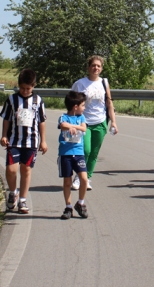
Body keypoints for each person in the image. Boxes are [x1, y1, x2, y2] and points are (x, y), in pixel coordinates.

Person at [0, 68, 48, 214]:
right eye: (22, 88)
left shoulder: (38, 101)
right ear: (18, 86)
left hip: (31, 142)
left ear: (33, 86)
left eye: (28, 88)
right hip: (14, 141)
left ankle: (22, 199)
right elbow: (6, 119)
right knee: (11, 169)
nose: (25, 91)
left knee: (26, 170)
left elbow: (41, 122)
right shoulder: (12, 99)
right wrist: (4, 135)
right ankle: (13, 193)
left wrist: (43, 141)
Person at [71, 55, 119, 191]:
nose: (95, 68)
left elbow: (109, 103)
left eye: (98, 66)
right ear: (88, 67)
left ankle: (87, 179)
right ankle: (79, 177)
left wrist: (113, 122)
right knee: (85, 151)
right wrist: (72, 121)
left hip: (100, 122)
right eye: (93, 65)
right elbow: (72, 103)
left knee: (94, 153)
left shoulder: (104, 82)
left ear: (101, 68)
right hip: (84, 122)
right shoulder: (80, 84)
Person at [57, 91, 90, 219]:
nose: (84, 108)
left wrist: (74, 127)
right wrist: (69, 126)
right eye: (83, 105)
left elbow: (84, 128)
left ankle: (80, 203)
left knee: (84, 179)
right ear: (75, 106)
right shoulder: (63, 117)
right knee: (67, 182)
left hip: (78, 153)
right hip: (65, 154)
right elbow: (62, 125)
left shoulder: (81, 118)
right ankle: (68, 207)